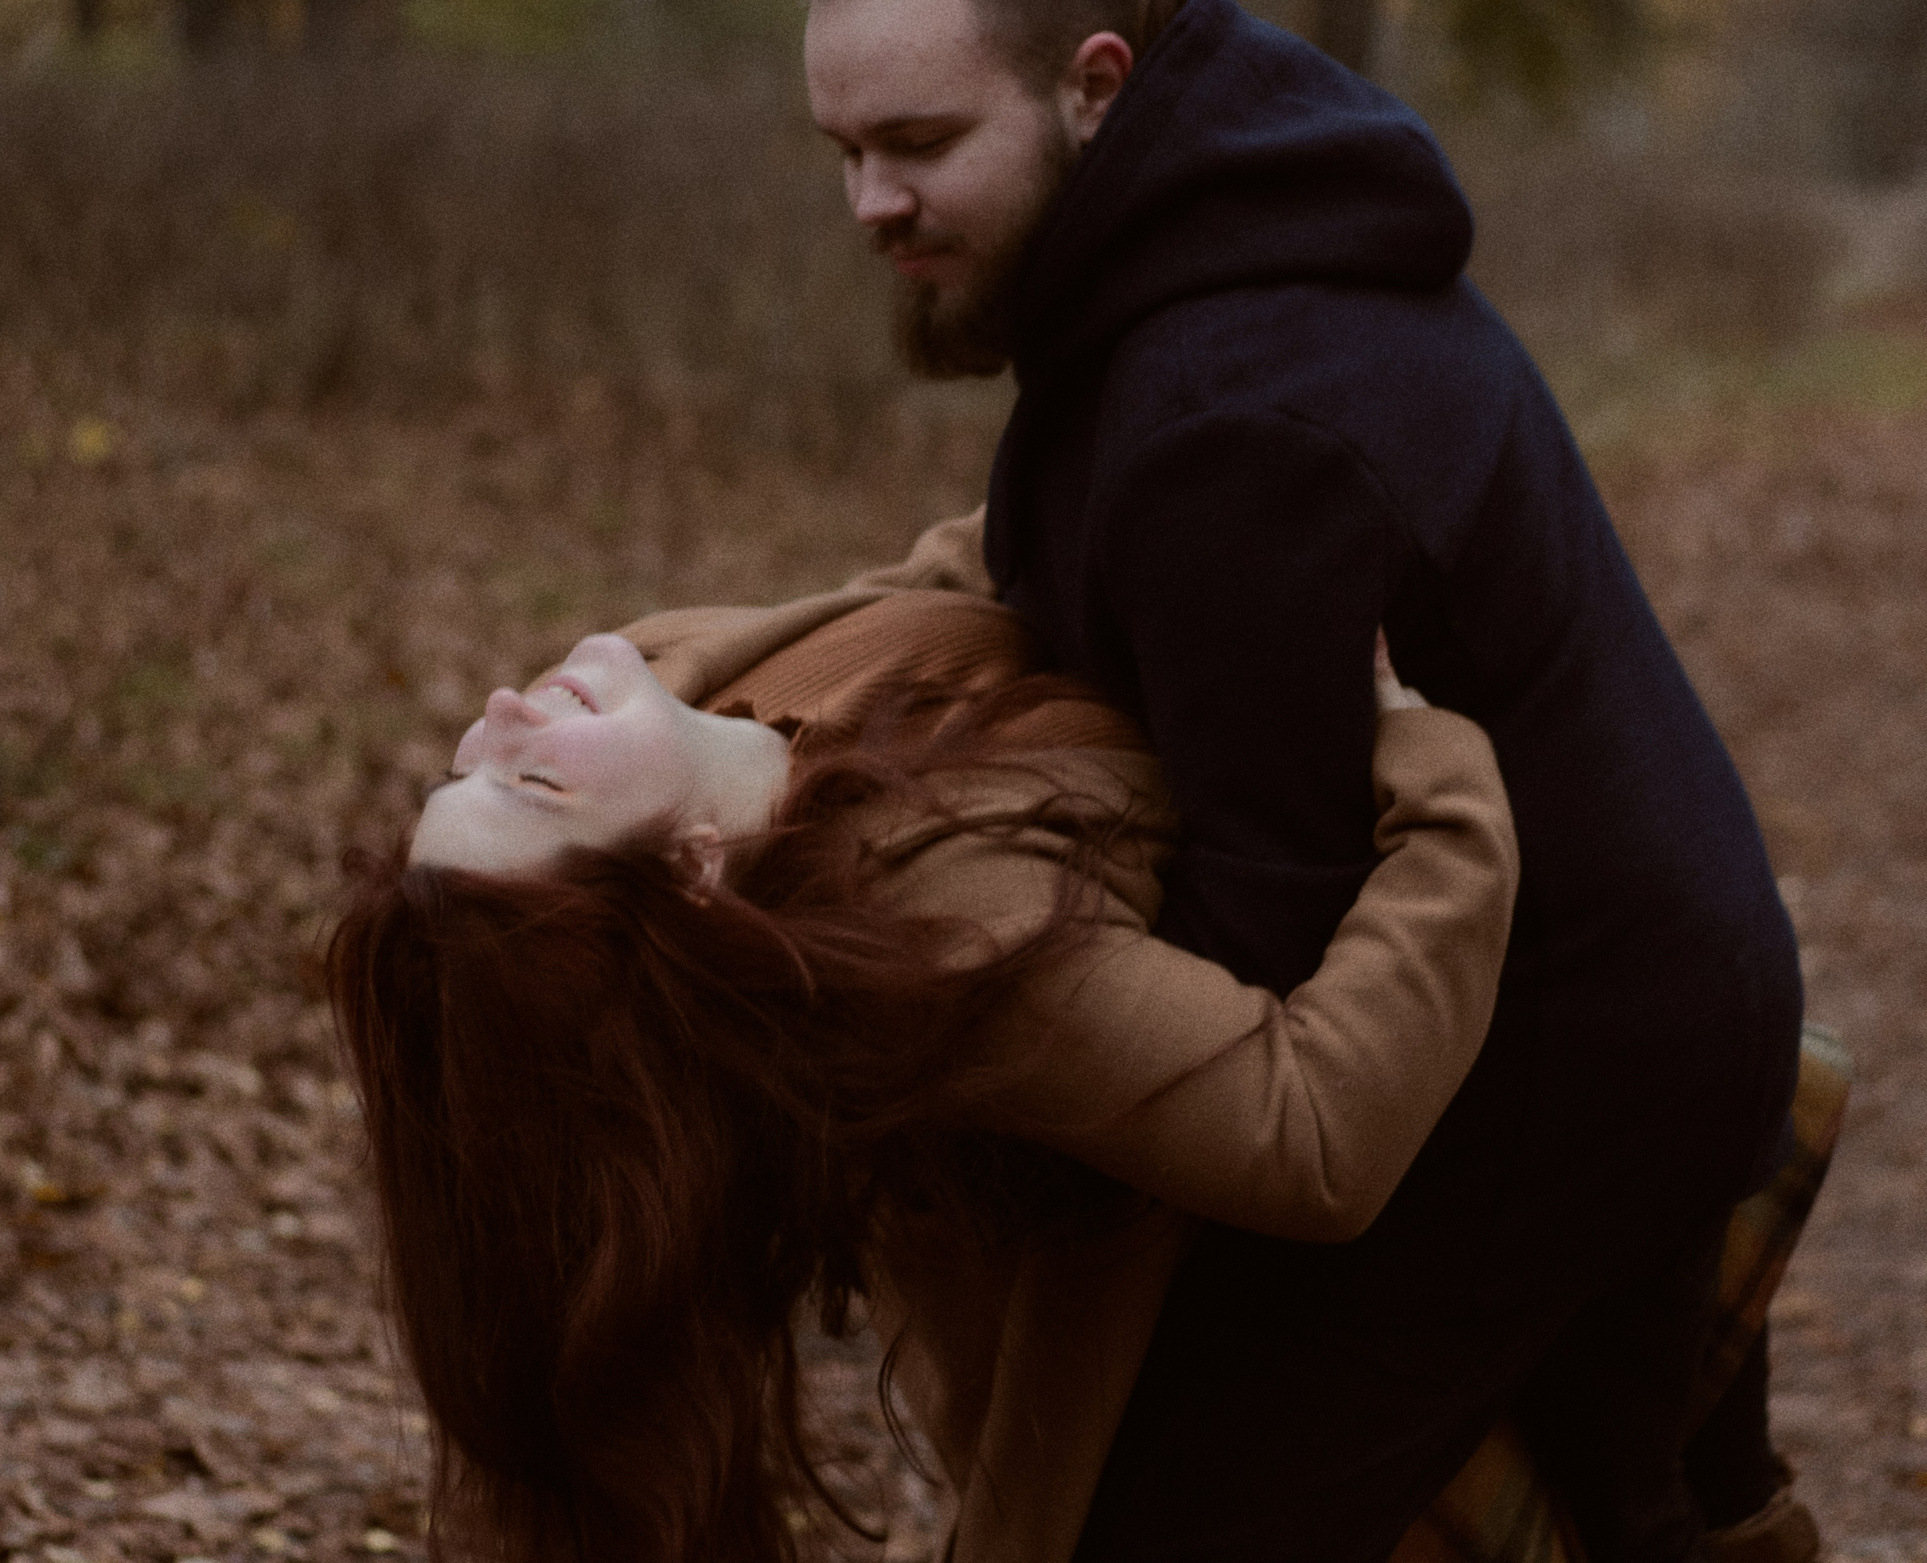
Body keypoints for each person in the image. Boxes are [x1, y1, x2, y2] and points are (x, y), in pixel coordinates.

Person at [799, 0, 1814, 1562]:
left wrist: (992, 1118)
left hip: (1567, 1059)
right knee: (1641, 1509)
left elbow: (1264, 936)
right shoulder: (1218, 249)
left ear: (1094, 84)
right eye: (841, 151)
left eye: (916, 142)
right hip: (1652, 977)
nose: (869, 204)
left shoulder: (1229, 409)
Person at [327, 535, 1522, 1563]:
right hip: (1274, 1411)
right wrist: (1432, 770)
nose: (499, 715)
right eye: (532, 782)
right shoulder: (946, 942)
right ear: (689, 870)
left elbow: (963, 585)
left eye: (466, 767)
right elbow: (1312, 1133)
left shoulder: (692, 682)